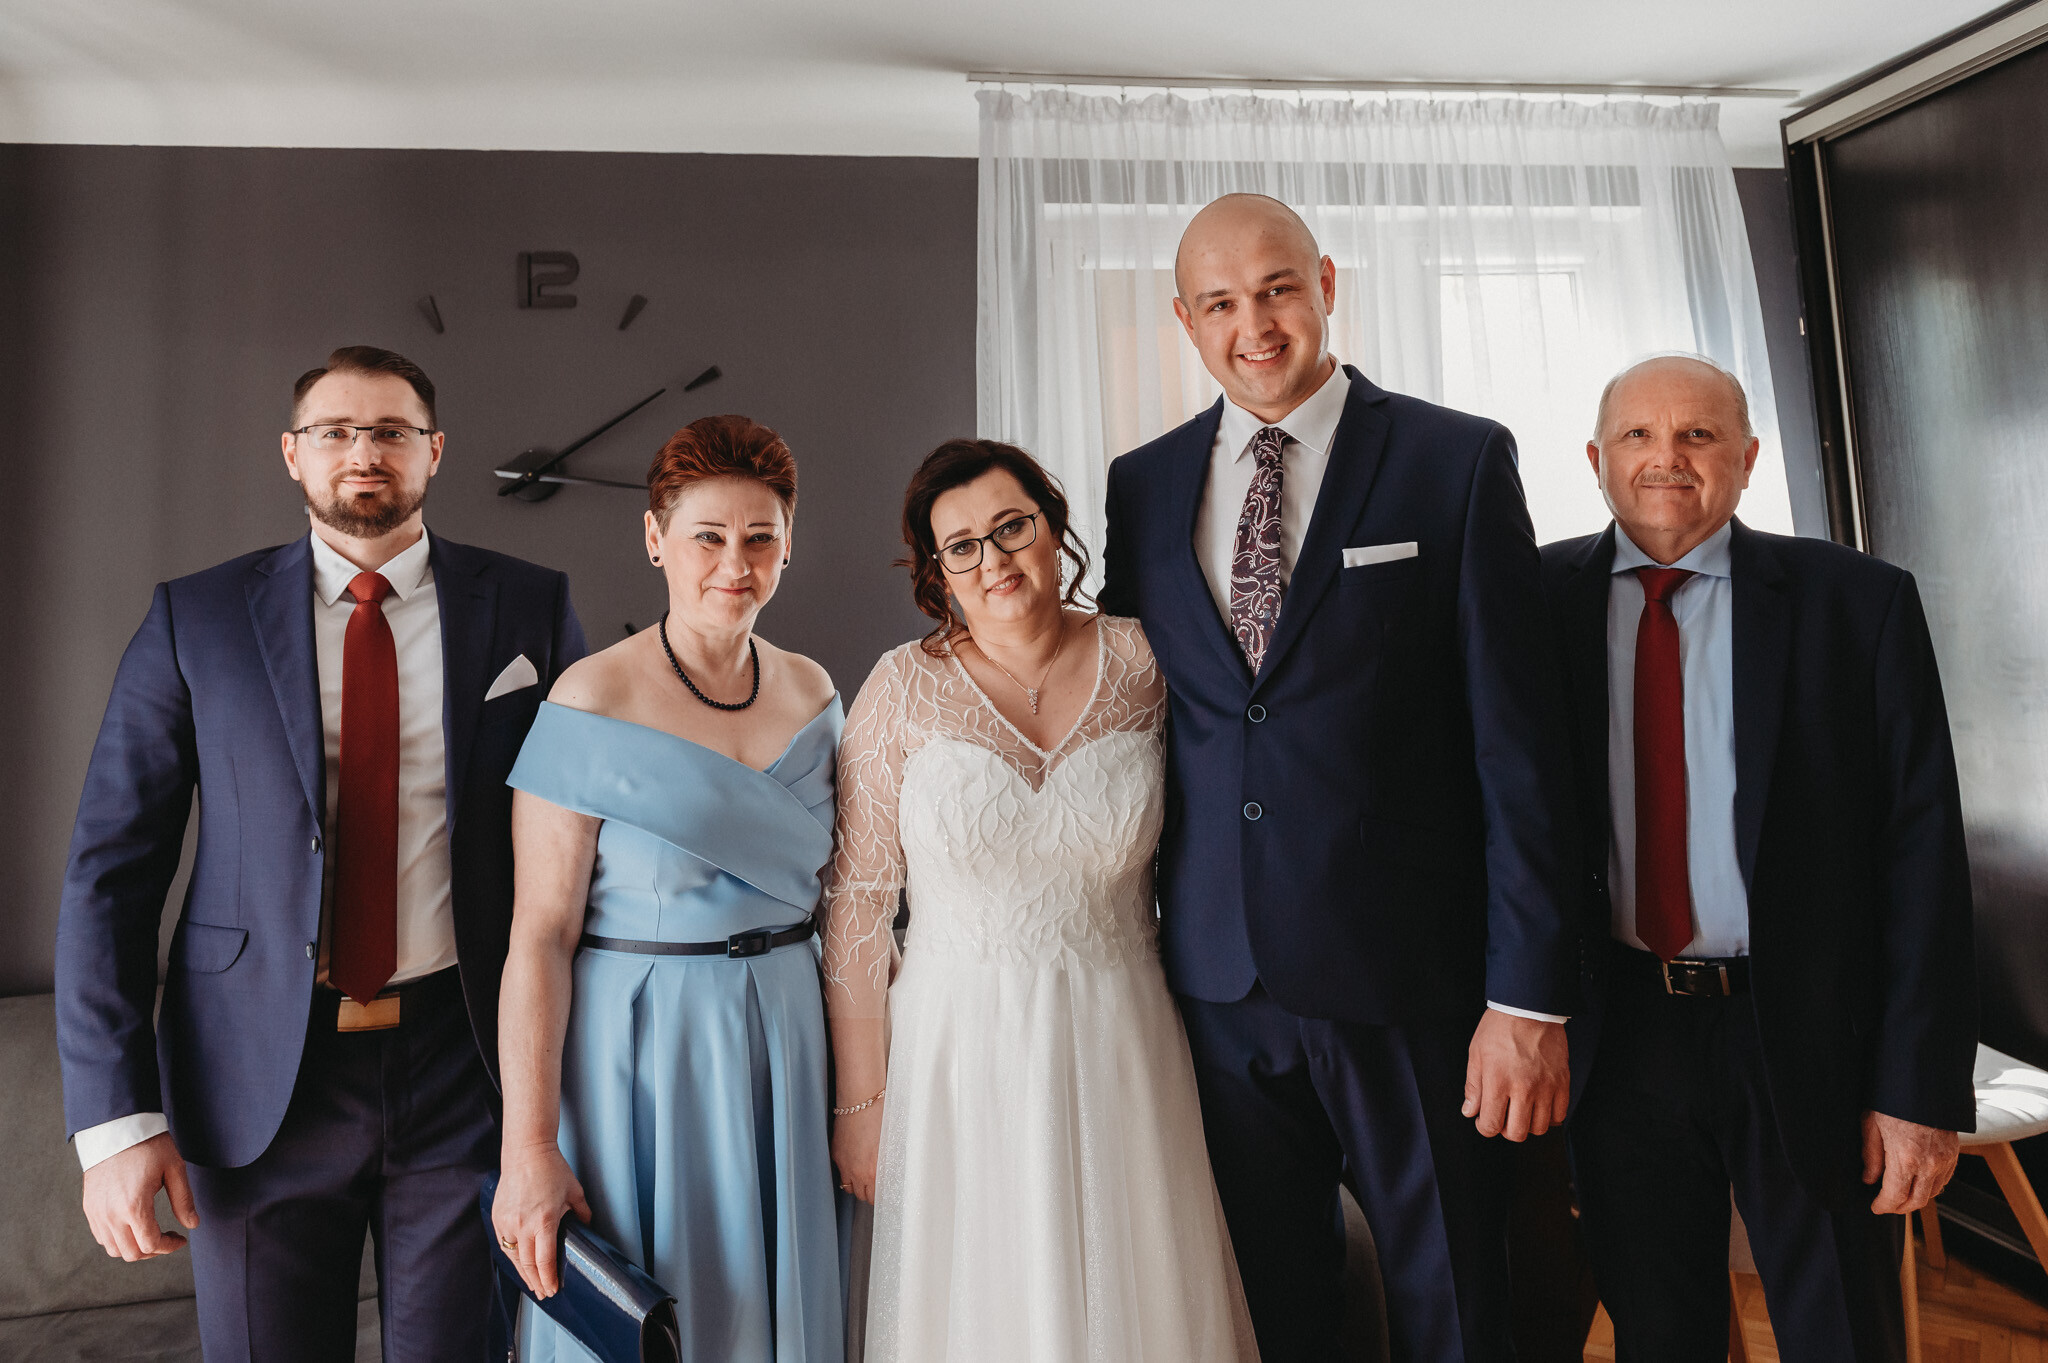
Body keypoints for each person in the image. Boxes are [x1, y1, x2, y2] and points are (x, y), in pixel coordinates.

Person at [1096, 193, 1578, 1361]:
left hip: (1411, 980)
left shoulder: (1454, 460)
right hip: (1215, 981)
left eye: (1275, 290)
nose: (1253, 325)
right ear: (1183, 319)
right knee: (1275, 1307)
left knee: (1450, 1297)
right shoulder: (1141, 485)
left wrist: (1526, 998)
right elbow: (1132, 711)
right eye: (1219, 303)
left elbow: (1520, 749)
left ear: (1324, 283)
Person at [56, 345, 587, 1361]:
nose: (364, 452)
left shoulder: (528, 605)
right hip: (253, 1082)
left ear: (434, 450)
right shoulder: (196, 618)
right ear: (292, 453)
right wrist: (118, 1121)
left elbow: (585, 851)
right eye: (335, 431)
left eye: (390, 431)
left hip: (463, 1068)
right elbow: (109, 875)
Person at [1543, 354, 1976, 1361]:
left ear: (1745, 458)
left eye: (1697, 435)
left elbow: (1922, 858)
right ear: (1595, 460)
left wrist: (1916, 1089)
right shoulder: (1528, 598)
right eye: (1638, 436)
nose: (1666, 458)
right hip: (1619, 1035)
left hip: (1811, 1036)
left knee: (1844, 1334)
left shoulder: (1856, 602)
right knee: (1660, 1335)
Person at [824, 439, 1259, 1362]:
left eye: (1011, 527)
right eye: (962, 546)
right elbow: (858, 904)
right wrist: (862, 1104)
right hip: (957, 1053)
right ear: (937, 570)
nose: (994, 559)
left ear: (1054, 527)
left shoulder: (1146, 661)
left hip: (1122, 1036)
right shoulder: (900, 689)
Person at [491, 414, 845, 1362]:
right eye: (708, 536)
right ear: (655, 538)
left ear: (788, 545)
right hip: (643, 1050)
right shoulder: (590, 697)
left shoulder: (814, 691)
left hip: (788, 1036)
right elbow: (539, 936)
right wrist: (529, 1148)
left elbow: (849, 900)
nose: (736, 563)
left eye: (761, 538)